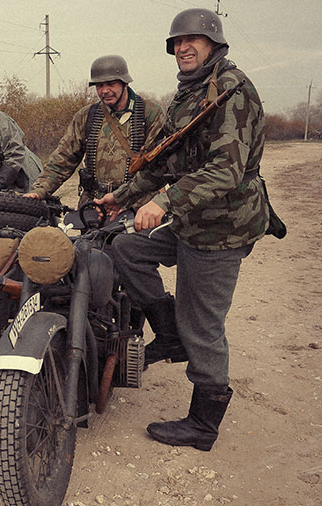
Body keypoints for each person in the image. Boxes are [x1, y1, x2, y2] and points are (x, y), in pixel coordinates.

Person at [95, 8, 270, 451]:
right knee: (126, 248)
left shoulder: (233, 91)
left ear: (214, 45)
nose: (184, 47)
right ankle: (169, 333)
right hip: (191, 219)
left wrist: (163, 202)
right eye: (178, 41)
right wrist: (124, 196)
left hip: (222, 229)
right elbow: (164, 162)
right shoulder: (189, 93)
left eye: (194, 40)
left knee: (202, 324)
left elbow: (226, 171)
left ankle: (203, 425)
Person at [24, 55, 166, 210]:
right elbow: (63, 159)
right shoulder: (86, 116)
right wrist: (39, 191)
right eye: (99, 85)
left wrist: (126, 202)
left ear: (125, 83)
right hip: (94, 203)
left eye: (111, 84)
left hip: (137, 203)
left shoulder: (150, 113)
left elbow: (157, 167)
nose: (105, 91)